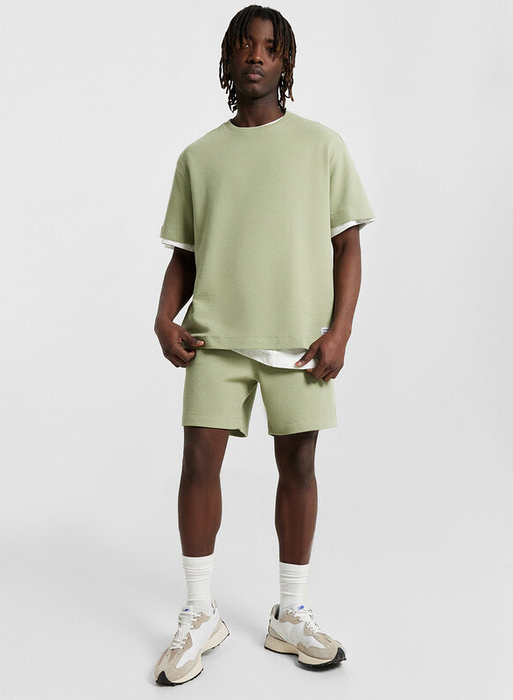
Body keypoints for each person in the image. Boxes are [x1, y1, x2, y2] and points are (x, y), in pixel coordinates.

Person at [153, 4, 375, 686]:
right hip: (216, 338)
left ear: (285, 62)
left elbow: (347, 245)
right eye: (245, 46)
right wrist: (163, 318)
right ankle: (199, 613)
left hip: (300, 342)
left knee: (299, 465)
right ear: (228, 58)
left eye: (270, 47)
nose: (256, 55)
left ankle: (291, 613)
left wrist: (339, 331)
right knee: (198, 461)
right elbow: (186, 254)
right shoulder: (199, 157)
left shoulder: (322, 146)